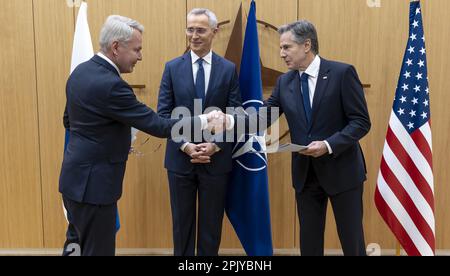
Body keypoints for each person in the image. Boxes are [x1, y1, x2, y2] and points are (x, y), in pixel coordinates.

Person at [60, 15, 225, 256]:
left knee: (75, 247)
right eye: (137, 49)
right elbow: (159, 125)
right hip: (95, 187)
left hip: (74, 181)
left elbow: (69, 121)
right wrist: (204, 119)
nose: (140, 56)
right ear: (116, 47)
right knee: (97, 251)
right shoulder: (111, 85)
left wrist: (111, 141)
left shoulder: (80, 72)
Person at [261, 20, 371, 255]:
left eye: (286, 47)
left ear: (307, 45)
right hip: (306, 175)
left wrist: (329, 145)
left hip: (342, 172)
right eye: (281, 48)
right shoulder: (284, 82)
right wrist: (228, 121)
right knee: (309, 245)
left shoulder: (342, 73)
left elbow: (361, 122)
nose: (281, 54)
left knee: (352, 242)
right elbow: (264, 116)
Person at [157, 8, 241, 256]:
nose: (193, 35)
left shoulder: (228, 69)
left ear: (214, 32)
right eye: (190, 29)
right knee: (182, 227)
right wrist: (185, 145)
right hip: (180, 159)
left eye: (200, 30)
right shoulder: (172, 68)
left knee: (211, 227)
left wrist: (215, 145)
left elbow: (235, 115)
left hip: (216, 160)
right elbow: (164, 115)